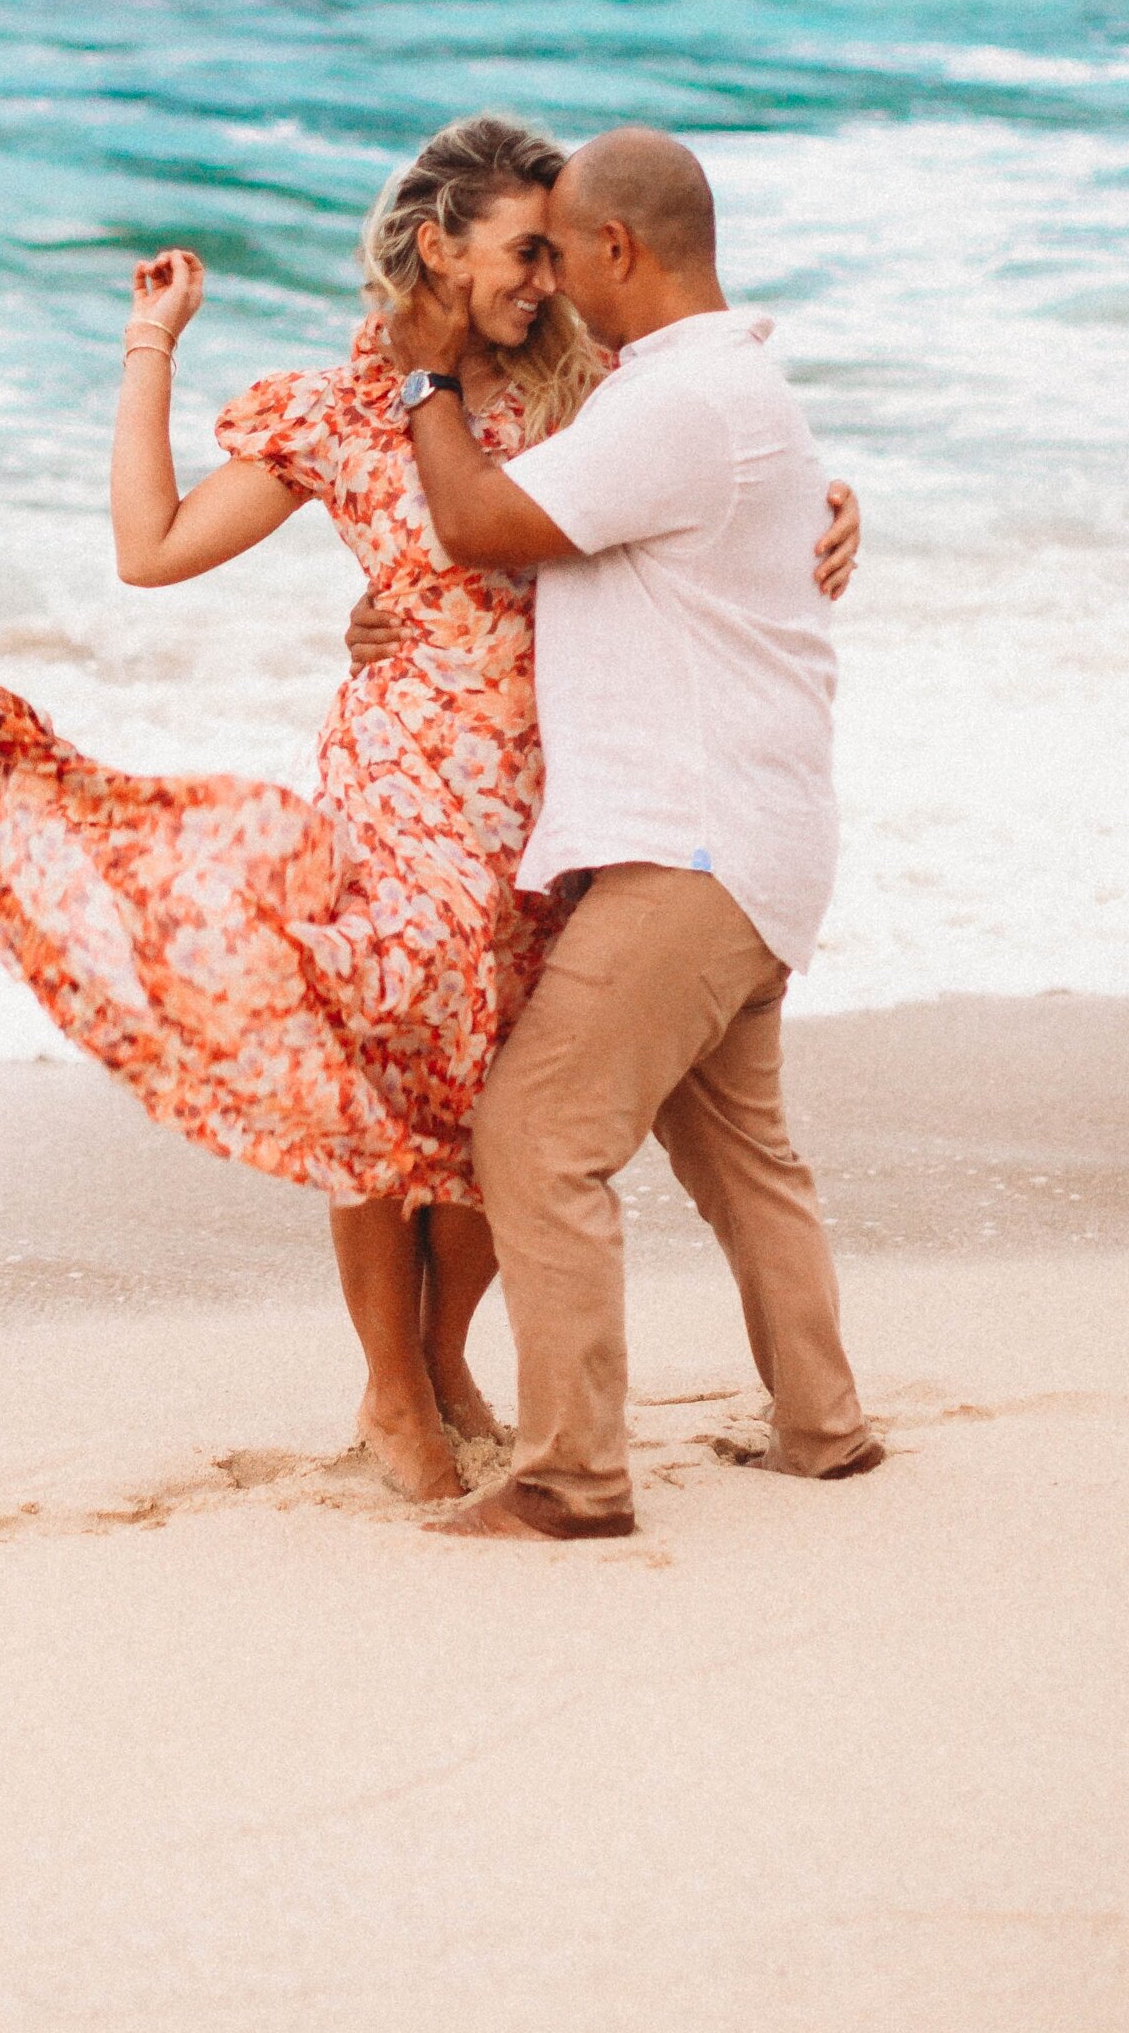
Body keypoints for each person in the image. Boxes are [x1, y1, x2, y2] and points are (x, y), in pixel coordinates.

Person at [0, 115, 859, 1504]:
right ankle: (395, 1387)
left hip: (556, 792)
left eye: (556, 251)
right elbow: (150, 548)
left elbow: (723, 463)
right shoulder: (345, 406)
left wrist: (829, 507)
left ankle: (454, 1356)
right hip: (402, 778)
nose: (545, 281)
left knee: (485, 1091)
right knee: (374, 1074)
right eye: (522, 252)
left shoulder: (583, 384)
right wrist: (151, 350)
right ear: (438, 244)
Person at [391, 125, 878, 1541]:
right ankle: (824, 1429)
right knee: (742, 1156)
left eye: (560, 250)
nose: (548, 282)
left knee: (535, 1134)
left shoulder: (676, 406)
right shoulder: (726, 392)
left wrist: (426, 373)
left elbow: (481, 521)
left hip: (697, 849)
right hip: (756, 839)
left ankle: (572, 1479)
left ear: (620, 250)